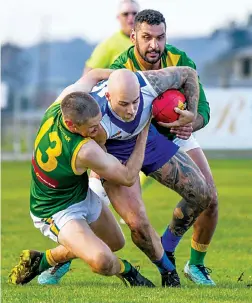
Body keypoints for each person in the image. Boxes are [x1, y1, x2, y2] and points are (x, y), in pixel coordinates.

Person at [37, 66, 213, 287]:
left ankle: (166, 247)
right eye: (123, 104)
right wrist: (142, 133)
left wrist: (192, 113)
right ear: (109, 96)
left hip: (149, 141)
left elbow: (188, 73)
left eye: (135, 101)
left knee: (202, 194)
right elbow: (126, 176)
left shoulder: (148, 83)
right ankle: (168, 271)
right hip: (114, 152)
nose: (131, 110)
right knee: (137, 223)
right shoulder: (95, 123)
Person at [8, 69, 155, 288]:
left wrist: (121, 81)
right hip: (54, 210)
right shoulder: (85, 150)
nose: (99, 131)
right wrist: (143, 132)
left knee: (115, 242)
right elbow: (127, 176)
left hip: (80, 195)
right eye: (93, 128)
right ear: (71, 126)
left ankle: (43, 260)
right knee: (103, 261)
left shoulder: (60, 105)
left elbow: (95, 75)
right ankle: (128, 270)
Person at [109, 9, 218, 286]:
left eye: (160, 37)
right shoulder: (122, 68)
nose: (154, 45)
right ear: (133, 36)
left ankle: (191, 263)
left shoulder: (180, 60)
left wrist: (190, 123)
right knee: (93, 207)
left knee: (210, 198)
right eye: (146, 37)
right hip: (127, 142)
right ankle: (58, 263)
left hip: (174, 134)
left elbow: (203, 108)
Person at [83, 0, 140, 75]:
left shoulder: (151, 41)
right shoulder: (108, 44)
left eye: (134, 13)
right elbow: (88, 74)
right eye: (125, 14)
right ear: (118, 17)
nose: (131, 17)